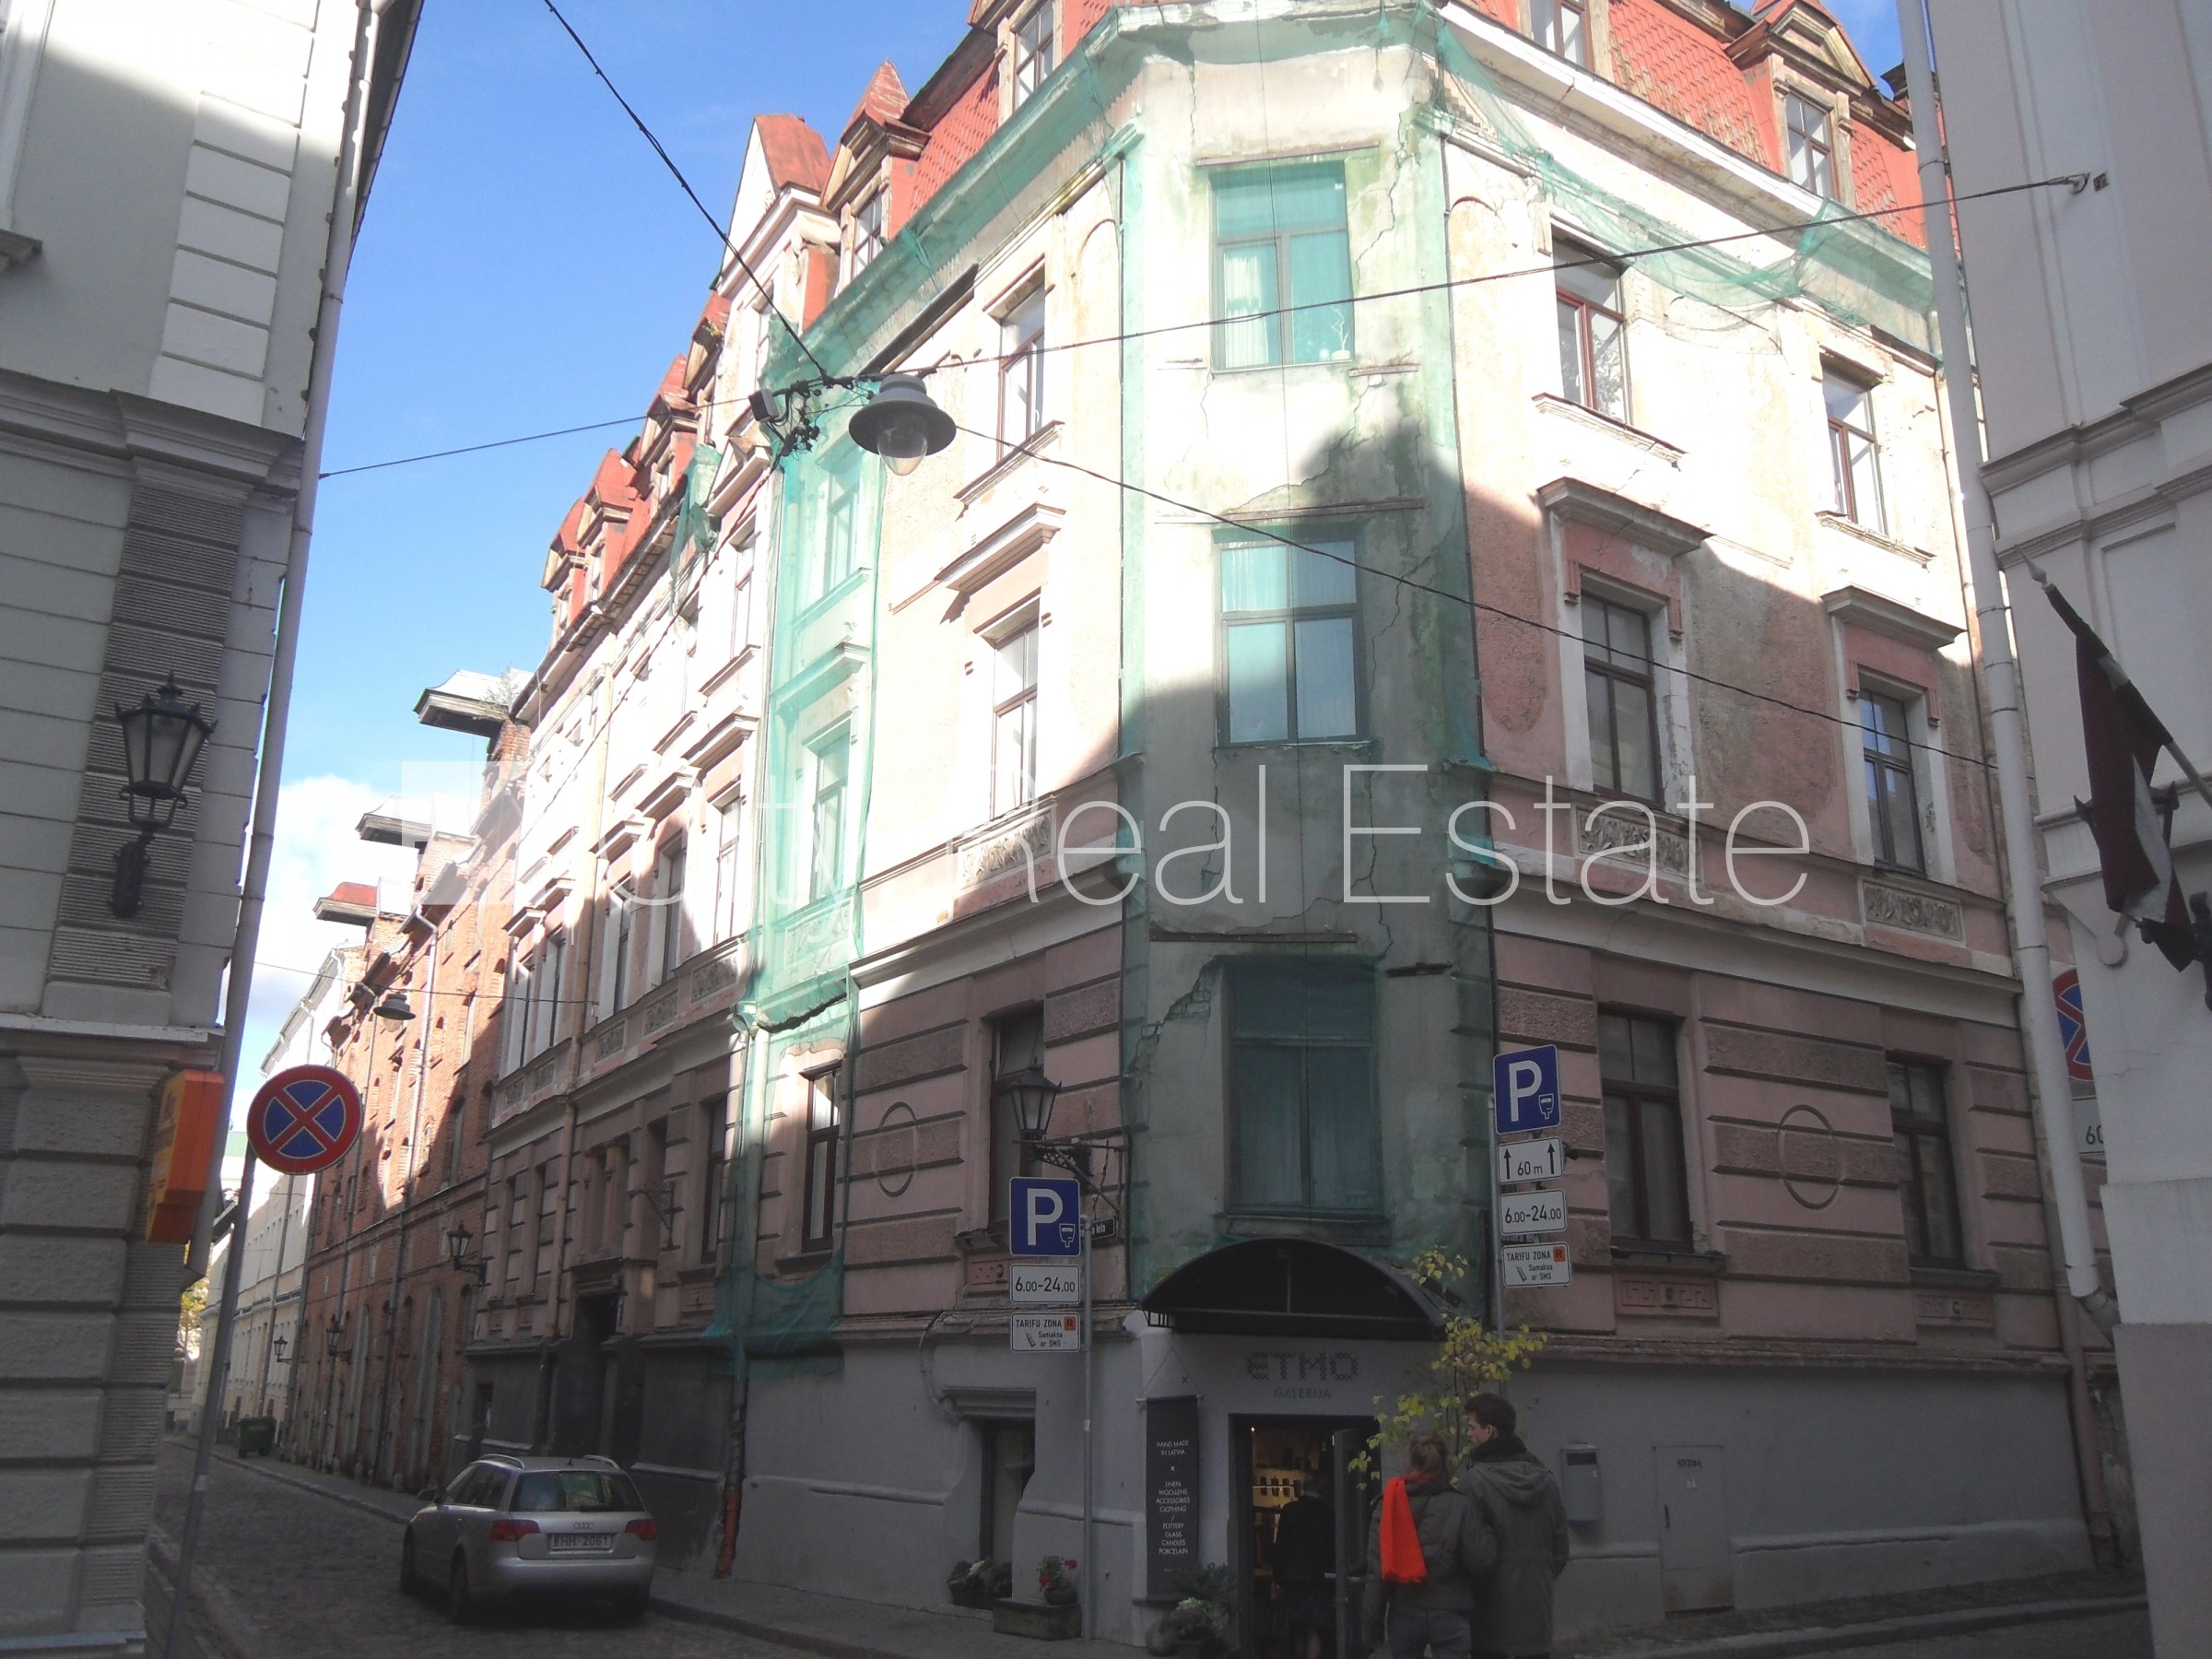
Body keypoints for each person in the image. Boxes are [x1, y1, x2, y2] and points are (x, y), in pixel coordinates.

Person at [1360, 1432, 1497, 1658]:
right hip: (1450, 1609)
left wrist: (1371, 1630)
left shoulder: (1388, 1506)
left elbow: (1377, 1572)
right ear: (1444, 1464)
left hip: (1404, 1610)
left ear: (1410, 1462)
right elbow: (1481, 1562)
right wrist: (1489, 1530)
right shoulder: (1460, 1505)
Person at [1457, 1394, 1571, 1659]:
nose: (1469, 1434)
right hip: (1537, 1617)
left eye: (1472, 1427)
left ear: (1490, 1431)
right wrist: (1538, 1577)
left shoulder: (1474, 1483)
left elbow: (1472, 1555)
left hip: (1489, 1620)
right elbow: (1560, 1550)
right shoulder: (1547, 1481)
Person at [1270, 1477, 1335, 1659]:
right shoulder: (1327, 1514)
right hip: (1319, 1579)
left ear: (1304, 1487)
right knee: (1315, 1630)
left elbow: (1281, 1547)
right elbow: (1331, 1551)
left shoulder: (1290, 1511)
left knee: (1297, 1628)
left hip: (1293, 1578)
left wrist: (1277, 1578)